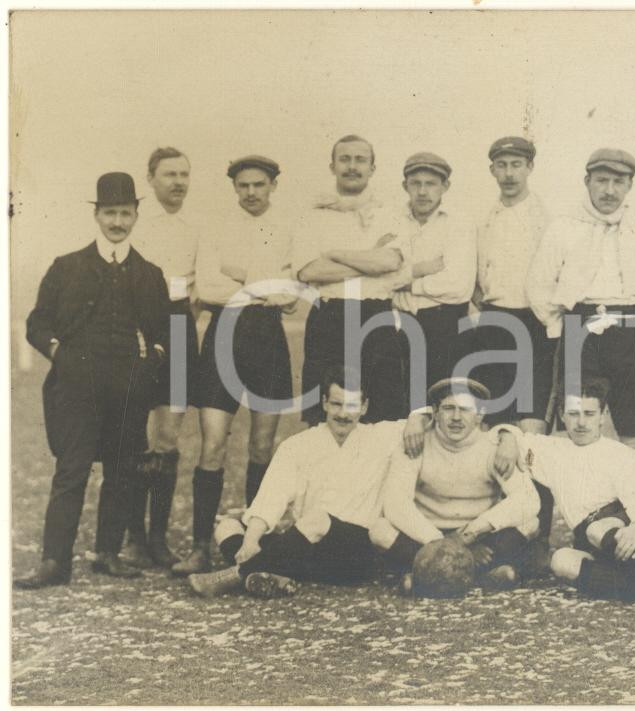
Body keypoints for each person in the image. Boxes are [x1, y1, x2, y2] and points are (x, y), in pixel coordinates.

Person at [15, 173, 170, 588]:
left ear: (136, 214)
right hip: (76, 385)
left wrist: (150, 363)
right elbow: (36, 323)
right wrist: (59, 355)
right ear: (96, 214)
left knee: (120, 471)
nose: (117, 221)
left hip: (127, 387)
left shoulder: (150, 273)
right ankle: (54, 561)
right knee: (72, 469)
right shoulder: (68, 267)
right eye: (109, 213)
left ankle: (107, 553)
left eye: (125, 213)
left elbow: (163, 332)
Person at [186, 366, 429, 598]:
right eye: (336, 404)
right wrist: (250, 541)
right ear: (324, 403)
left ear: (364, 407)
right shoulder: (298, 445)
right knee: (227, 526)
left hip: (355, 556)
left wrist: (417, 419)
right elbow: (272, 496)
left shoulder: (381, 436)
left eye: (352, 406)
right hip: (305, 547)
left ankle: (236, 575)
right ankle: (270, 573)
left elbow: (429, 419)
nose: (343, 414)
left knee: (317, 519)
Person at [172, 155, 297, 576]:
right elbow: (207, 285)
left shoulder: (286, 229)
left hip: (267, 340)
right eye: (243, 185)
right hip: (223, 337)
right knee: (212, 444)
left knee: (262, 446)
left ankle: (250, 544)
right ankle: (201, 546)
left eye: (258, 184)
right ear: (234, 188)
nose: (250, 192)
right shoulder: (216, 228)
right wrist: (263, 283)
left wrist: (240, 275)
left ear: (273, 185)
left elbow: (290, 294)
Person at [511, 378, 635, 617]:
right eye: (573, 413)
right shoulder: (552, 451)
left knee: (596, 529)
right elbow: (516, 439)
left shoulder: (621, 456)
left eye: (589, 414)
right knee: (561, 561)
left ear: (603, 415)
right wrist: (506, 435)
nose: (581, 423)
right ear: (562, 414)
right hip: (597, 543)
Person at [527, 148, 635, 465]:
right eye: (602, 180)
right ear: (587, 181)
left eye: (619, 181)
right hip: (581, 331)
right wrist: (565, 326)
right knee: (581, 432)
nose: (609, 190)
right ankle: (586, 512)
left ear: (630, 185)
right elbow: (539, 285)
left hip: (629, 329)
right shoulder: (564, 227)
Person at [471, 136, 557, 570]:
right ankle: (502, 539)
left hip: (536, 326)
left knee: (533, 433)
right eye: (501, 164)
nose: (508, 173)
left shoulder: (545, 218)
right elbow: (474, 276)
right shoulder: (483, 219)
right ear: (492, 170)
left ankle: (538, 539)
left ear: (529, 168)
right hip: (493, 326)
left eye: (516, 164)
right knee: (495, 430)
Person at [369, 377, 539, 593]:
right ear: (435, 412)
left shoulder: (495, 446)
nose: (456, 418)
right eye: (448, 408)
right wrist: (445, 546)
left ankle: (424, 578)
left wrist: (468, 536)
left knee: (530, 522)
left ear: (479, 414)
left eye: (465, 409)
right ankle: (478, 577)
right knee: (380, 530)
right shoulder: (417, 442)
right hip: (425, 535)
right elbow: (395, 503)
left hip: (477, 536)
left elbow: (528, 499)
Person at [294, 135, 411, 426]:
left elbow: (390, 261)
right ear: (332, 166)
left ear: (372, 168)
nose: (352, 166)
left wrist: (335, 254)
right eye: (344, 159)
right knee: (323, 417)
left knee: (382, 415)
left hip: (377, 316)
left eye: (360, 160)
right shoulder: (313, 216)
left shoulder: (391, 213)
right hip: (329, 317)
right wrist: (370, 260)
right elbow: (309, 271)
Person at [124, 146, 201, 569]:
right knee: (136, 431)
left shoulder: (197, 226)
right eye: (169, 174)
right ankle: (134, 536)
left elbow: (200, 284)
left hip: (179, 326)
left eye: (184, 174)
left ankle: (158, 537)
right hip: (139, 325)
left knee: (168, 435)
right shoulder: (136, 225)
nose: (178, 181)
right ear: (151, 179)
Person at [389, 153, 477, 393]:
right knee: (399, 404)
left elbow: (459, 286)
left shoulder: (459, 224)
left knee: (442, 401)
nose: (422, 191)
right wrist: (419, 270)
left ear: (445, 186)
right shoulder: (391, 221)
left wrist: (406, 282)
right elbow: (379, 277)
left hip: (445, 324)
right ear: (404, 186)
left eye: (431, 184)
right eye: (416, 183)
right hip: (399, 323)